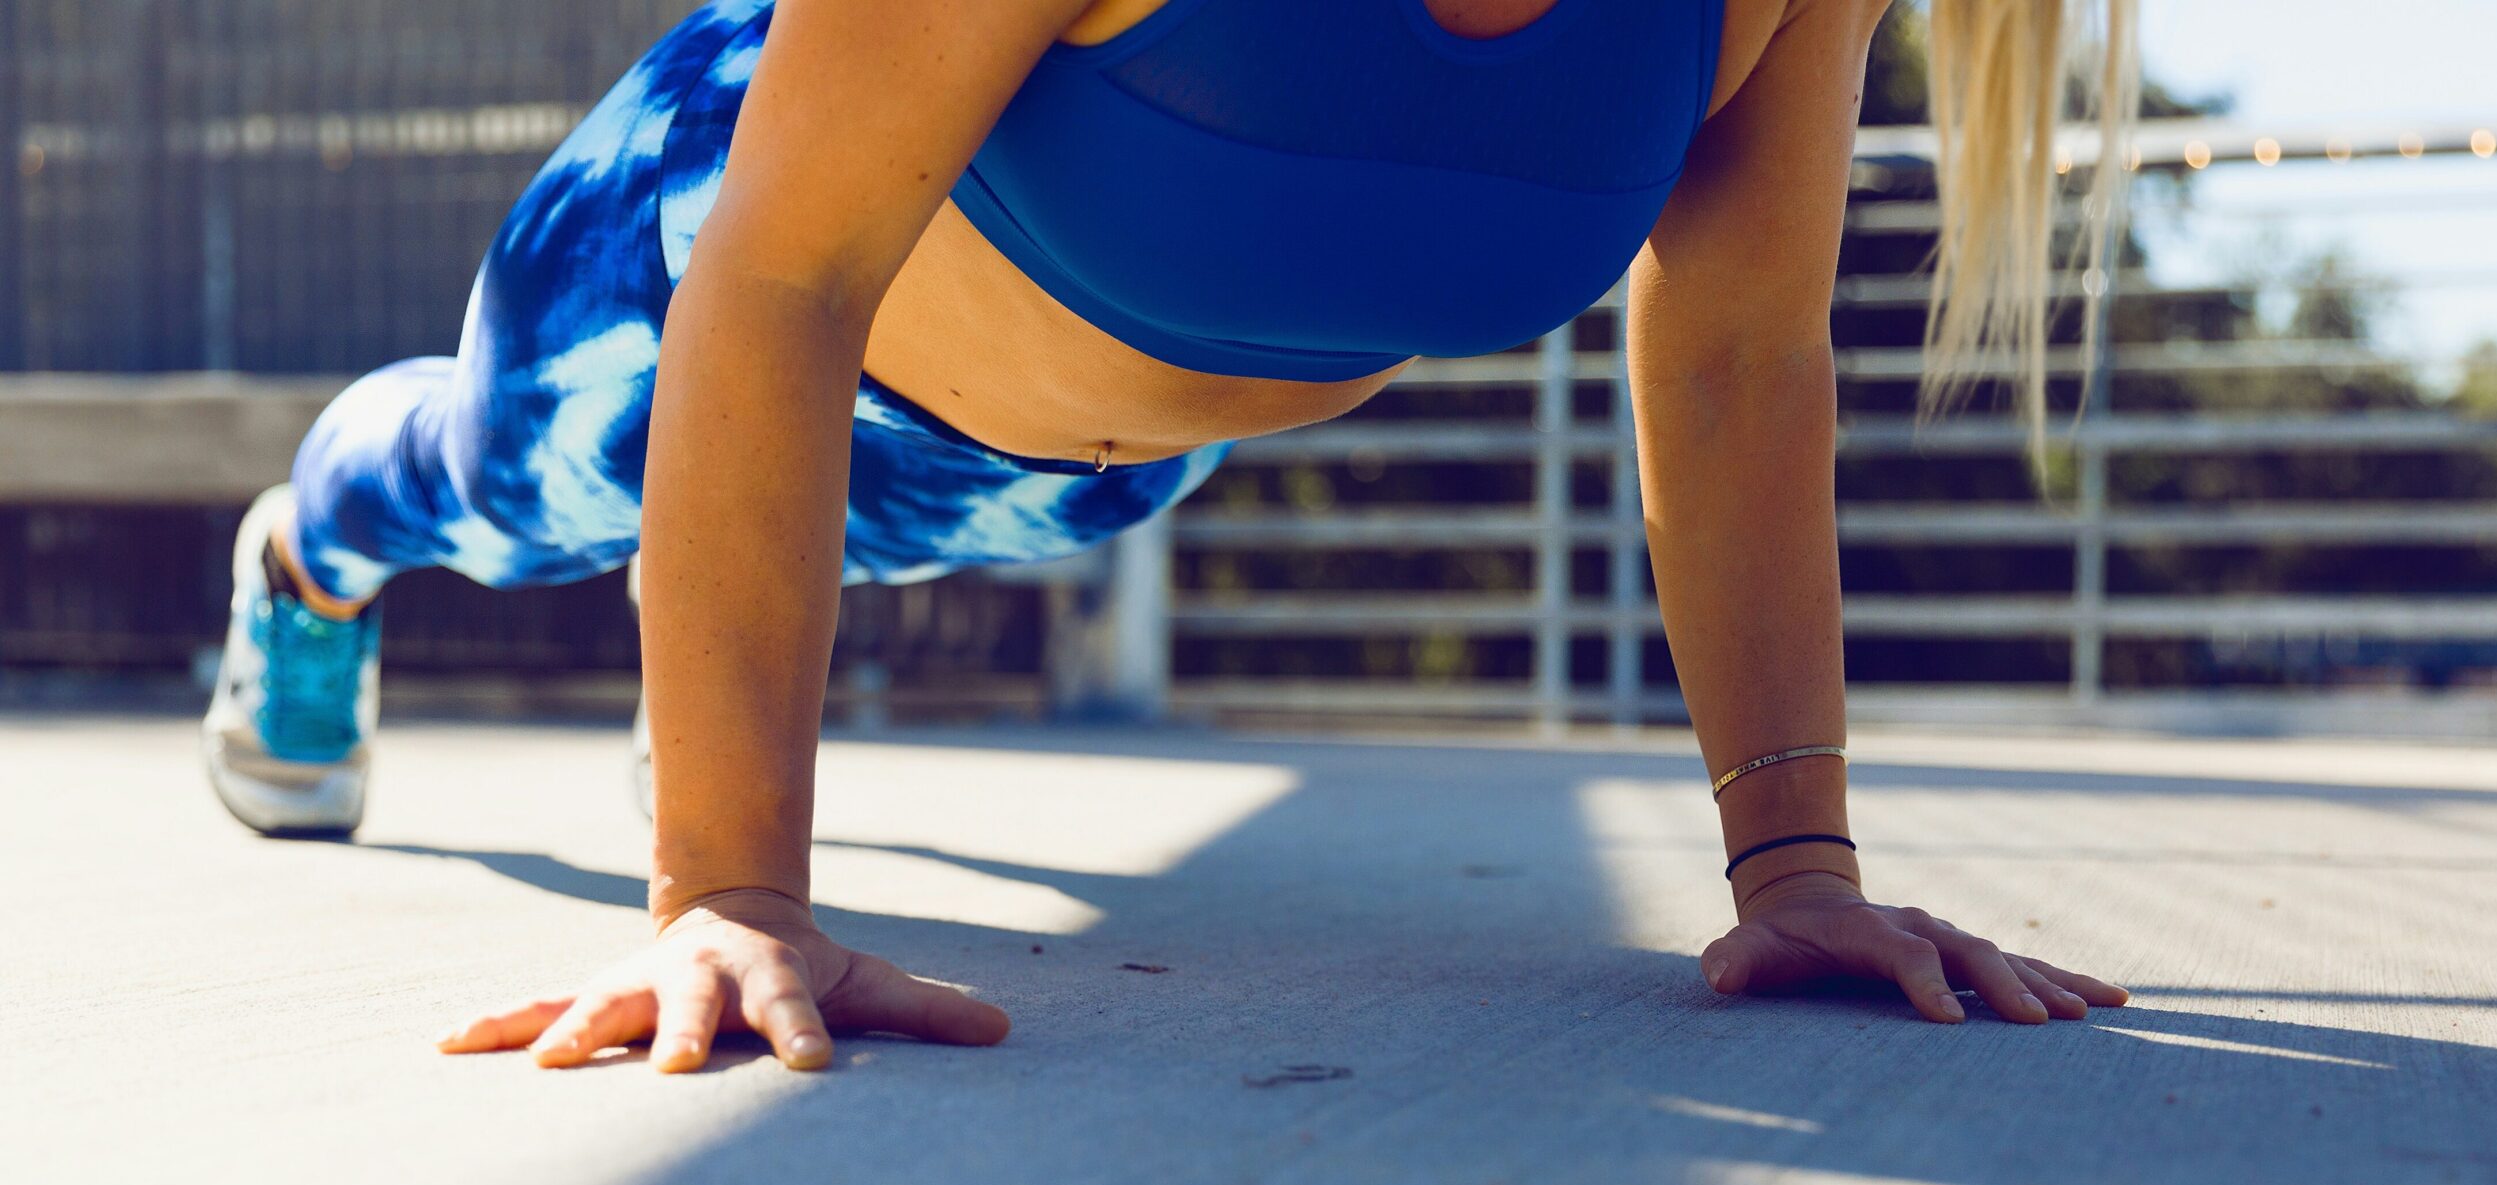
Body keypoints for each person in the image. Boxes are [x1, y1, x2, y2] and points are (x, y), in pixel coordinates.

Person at [200, 0, 2136, 1072]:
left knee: (779, 566)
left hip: (1072, 477)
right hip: (686, 290)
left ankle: (702, 659)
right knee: (477, 487)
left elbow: (1728, 358)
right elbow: (778, 281)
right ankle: (301, 565)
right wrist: (735, 892)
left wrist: (1792, 864)